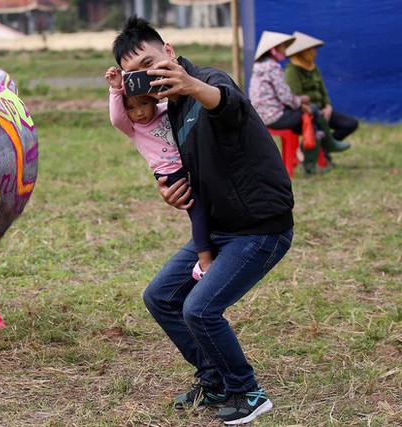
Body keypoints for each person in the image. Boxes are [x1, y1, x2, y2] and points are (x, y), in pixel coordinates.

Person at [112, 16, 294, 425]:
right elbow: (182, 165)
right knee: (159, 297)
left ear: (170, 53)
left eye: (149, 62)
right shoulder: (169, 112)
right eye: (132, 75)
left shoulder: (208, 81)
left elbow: (228, 103)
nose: (144, 76)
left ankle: (247, 392)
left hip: (260, 228)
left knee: (200, 309)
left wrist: (192, 86)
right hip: (218, 228)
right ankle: (213, 378)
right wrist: (169, 189)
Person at [105, 66, 213, 279]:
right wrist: (116, 90)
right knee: (197, 211)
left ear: (154, 99)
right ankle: (204, 263)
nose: (139, 112)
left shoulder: (166, 109)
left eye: (144, 103)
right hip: (172, 175)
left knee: (210, 203)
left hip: (192, 163)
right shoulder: (133, 128)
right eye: (131, 108)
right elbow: (117, 118)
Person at [249, 31, 349, 175]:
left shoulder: (259, 67)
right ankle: (322, 151)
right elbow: (285, 97)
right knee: (313, 112)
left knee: (310, 119)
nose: (285, 50)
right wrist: (301, 101)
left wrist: (299, 104)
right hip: (274, 116)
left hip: (262, 115)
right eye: (282, 47)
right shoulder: (273, 67)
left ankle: (313, 160)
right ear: (273, 50)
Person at [285, 31, 358, 165]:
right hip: (305, 113)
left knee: (350, 123)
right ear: (303, 51)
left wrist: (328, 106)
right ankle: (305, 152)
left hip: (322, 111)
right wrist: (317, 112)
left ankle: (324, 148)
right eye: (311, 49)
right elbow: (297, 97)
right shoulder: (291, 71)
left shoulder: (314, 68)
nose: (315, 52)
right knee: (318, 125)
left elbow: (323, 91)